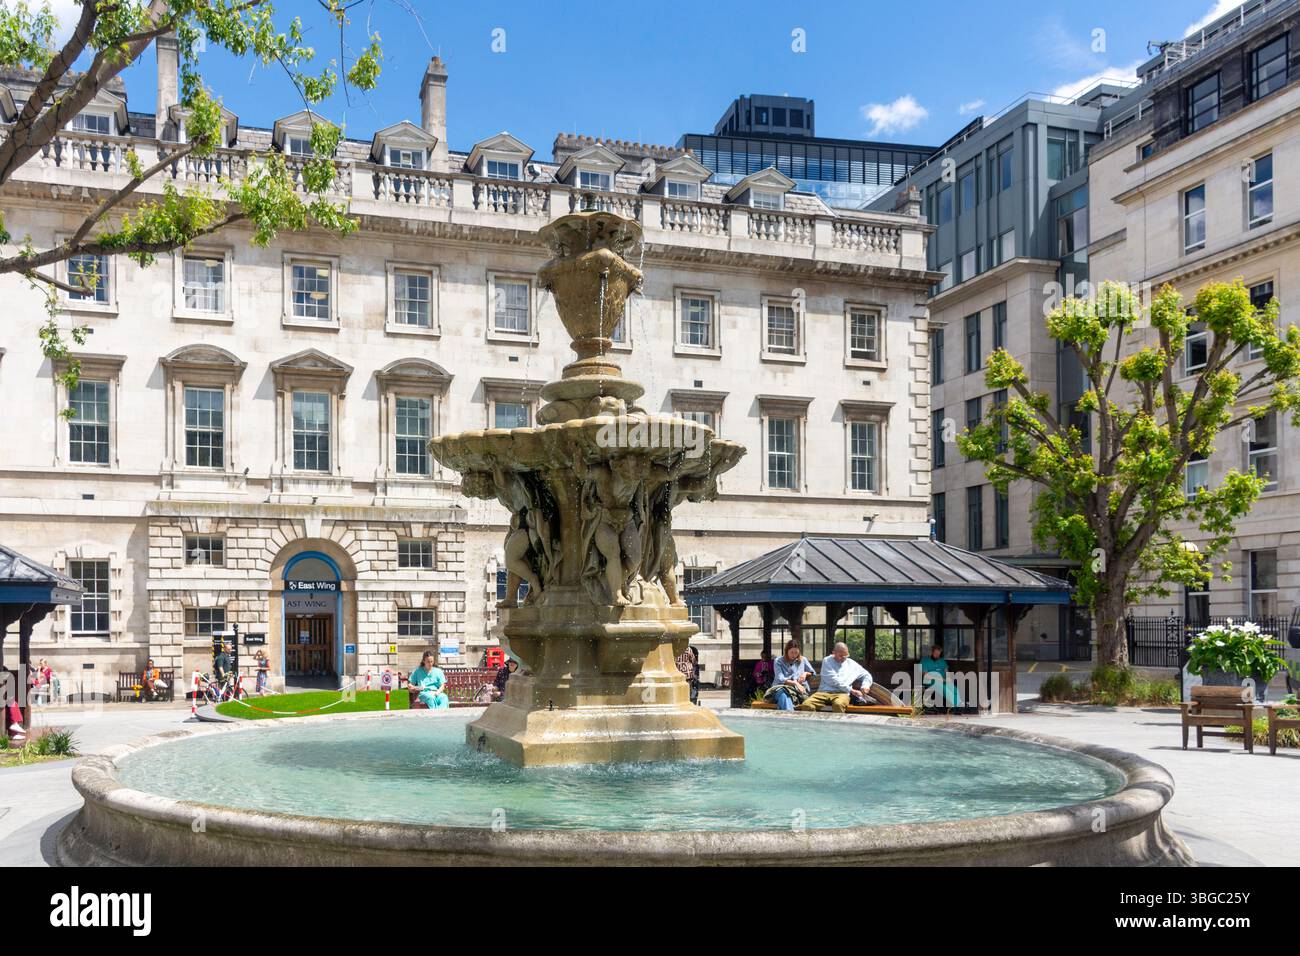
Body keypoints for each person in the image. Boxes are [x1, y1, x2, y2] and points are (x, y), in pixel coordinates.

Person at [797, 643, 873, 713]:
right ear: (833, 653)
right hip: (823, 692)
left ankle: (838, 727)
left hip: (842, 693)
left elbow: (866, 675)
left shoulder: (852, 664)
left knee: (838, 704)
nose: (843, 658)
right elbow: (833, 681)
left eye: (846, 655)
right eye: (840, 655)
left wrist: (865, 685)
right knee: (807, 705)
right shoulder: (827, 661)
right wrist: (852, 690)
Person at [768, 641, 814, 711]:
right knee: (784, 697)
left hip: (798, 691)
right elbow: (780, 678)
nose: (794, 655)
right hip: (781, 688)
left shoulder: (803, 659)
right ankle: (790, 716)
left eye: (796, 653)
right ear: (787, 651)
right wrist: (795, 683)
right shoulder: (778, 661)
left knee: (807, 703)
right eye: (792, 652)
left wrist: (805, 674)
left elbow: (812, 672)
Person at [921, 643, 962, 712]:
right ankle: (957, 705)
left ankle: (958, 704)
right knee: (944, 689)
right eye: (936, 653)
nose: (937, 655)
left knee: (954, 688)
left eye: (939, 653)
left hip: (944, 681)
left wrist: (948, 678)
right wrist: (940, 679)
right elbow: (926, 675)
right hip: (931, 682)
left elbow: (947, 671)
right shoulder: (925, 660)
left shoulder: (942, 660)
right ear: (932, 652)